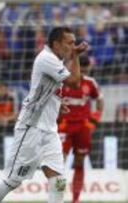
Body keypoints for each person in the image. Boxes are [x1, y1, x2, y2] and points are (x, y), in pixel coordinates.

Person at [0, 27, 88, 203]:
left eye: (74, 43)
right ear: (56, 44)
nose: (73, 46)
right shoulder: (47, 59)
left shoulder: (54, 59)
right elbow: (75, 82)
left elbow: (47, 87)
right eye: (69, 43)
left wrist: (56, 102)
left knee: (59, 179)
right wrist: (76, 56)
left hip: (49, 130)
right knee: (13, 180)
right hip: (31, 128)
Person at [58, 54, 103, 203]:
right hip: (64, 127)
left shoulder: (90, 83)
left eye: (85, 66)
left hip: (82, 128)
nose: (83, 69)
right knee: (59, 164)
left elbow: (99, 100)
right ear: (72, 66)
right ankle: (57, 197)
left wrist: (94, 121)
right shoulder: (62, 82)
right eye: (80, 65)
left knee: (79, 162)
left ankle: (75, 199)